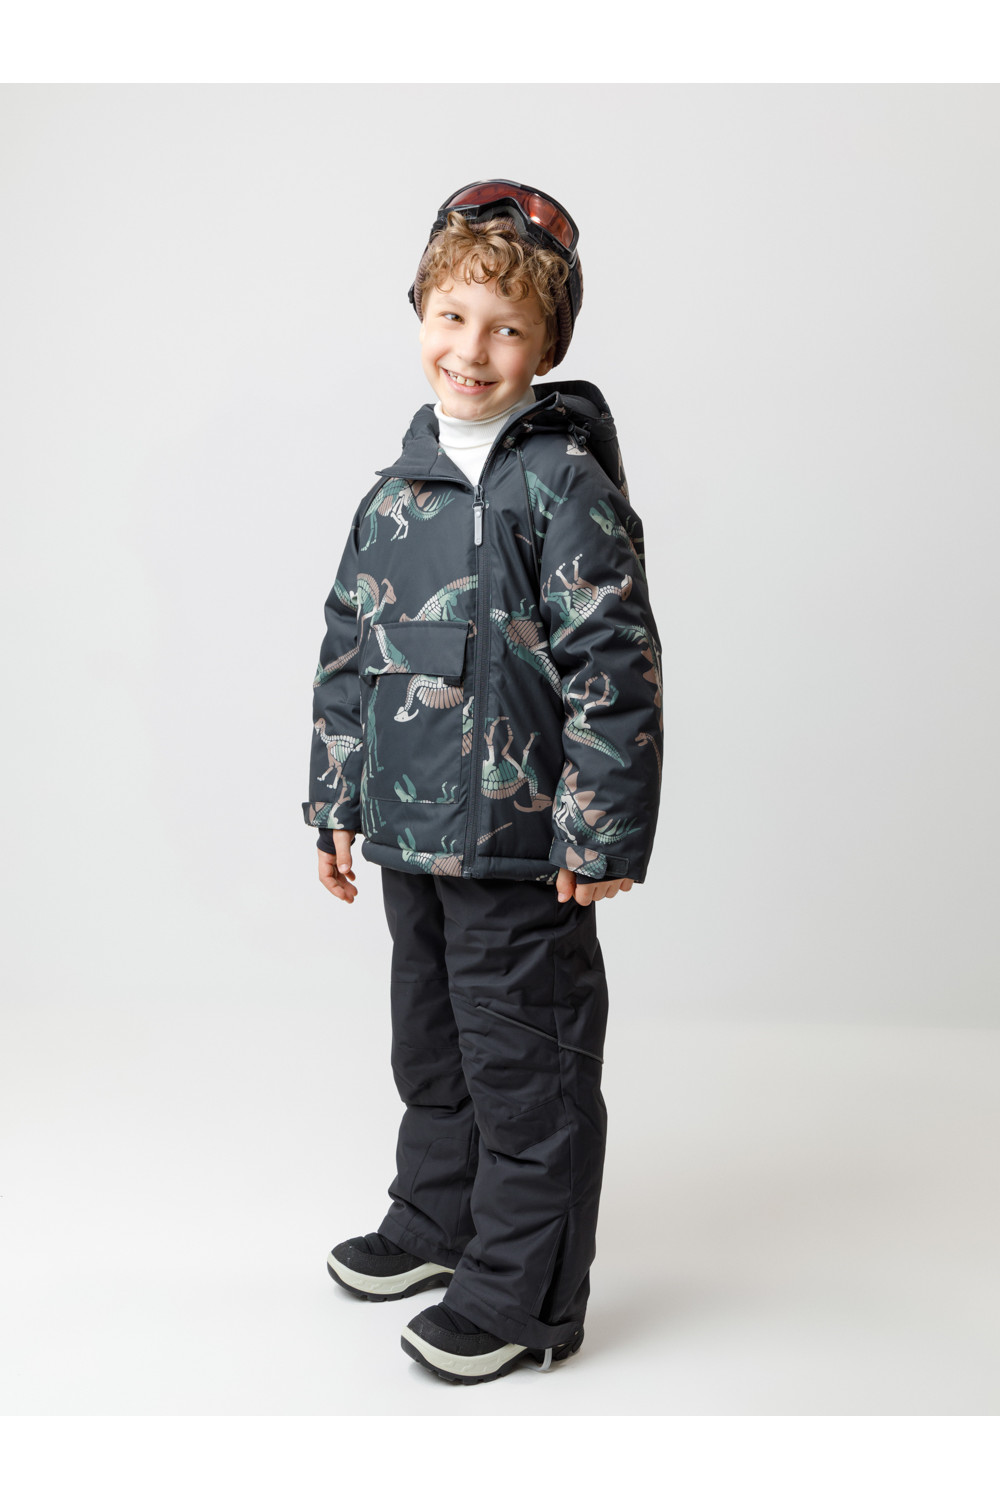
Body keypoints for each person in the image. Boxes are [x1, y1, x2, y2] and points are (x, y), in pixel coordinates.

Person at [303, 180, 664, 1385]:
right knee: (433, 1048)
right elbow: (350, 652)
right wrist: (336, 801)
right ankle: (436, 1222)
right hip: (412, 838)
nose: (471, 350)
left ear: (545, 346)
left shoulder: (562, 487)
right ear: (419, 312)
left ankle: (522, 1296)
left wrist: (599, 829)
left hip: (522, 849)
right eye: (451, 316)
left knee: (527, 1070)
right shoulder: (394, 493)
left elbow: (615, 666)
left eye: (506, 328)